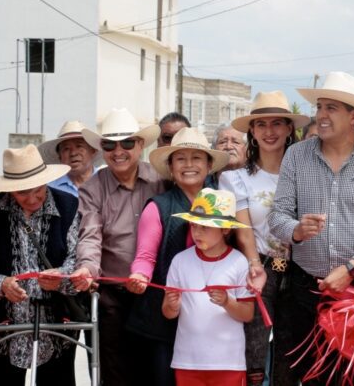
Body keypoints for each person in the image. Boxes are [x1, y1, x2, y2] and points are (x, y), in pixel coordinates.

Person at [268, 71, 354, 385]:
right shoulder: (297, 155)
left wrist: (352, 268)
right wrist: (297, 231)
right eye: (320, 107)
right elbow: (278, 217)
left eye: (331, 108)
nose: (321, 115)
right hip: (306, 291)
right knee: (313, 378)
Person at [125, 127, 229, 386]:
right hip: (164, 319)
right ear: (171, 167)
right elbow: (145, 257)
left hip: (212, 318)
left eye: (197, 158)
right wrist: (139, 275)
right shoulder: (158, 206)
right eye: (181, 159)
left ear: (209, 165)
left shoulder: (224, 204)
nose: (189, 165)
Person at [0, 145, 79, 386]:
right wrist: (1, 284)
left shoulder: (69, 207)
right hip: (3, 330)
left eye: (38, 190)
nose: (31, 199)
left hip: (58, 329)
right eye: (21, 193)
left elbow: (78, 262)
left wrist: (61, 278)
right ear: (10, 190)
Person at [70, 107, 165, 386]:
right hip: (111, 294)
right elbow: (90, 235)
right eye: (110, 144)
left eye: (126, 143)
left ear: (140, 145)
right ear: (102, 149)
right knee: (113, 372)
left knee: (155, 371)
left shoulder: (160, 181)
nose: (118, 151)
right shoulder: (92, 188)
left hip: (155, 292)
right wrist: (86, 269)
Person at [219, 90, 309, 386]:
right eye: (261, 124)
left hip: (301, 271)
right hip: (259, 268)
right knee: (253, 351)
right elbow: (243, 228)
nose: (269, 131)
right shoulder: (235, 178)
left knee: (291, 352)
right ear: (252, 132)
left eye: (277, 123)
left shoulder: (306, 174)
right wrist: (255, 264)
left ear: (288, 129)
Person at [163, 188, 255, 386]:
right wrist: (172, 305)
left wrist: (227, 302)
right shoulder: (180, 261)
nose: (197, 232)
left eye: (205, 227)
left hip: (228, 362)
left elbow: (248, 314)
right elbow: (168, 313)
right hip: (187, 360)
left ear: (225, 229)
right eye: (194, 226)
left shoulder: (238, 262)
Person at [38, 120, 99, 197]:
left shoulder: (108, 182)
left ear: (93, 150)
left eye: (79, 146)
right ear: (59, 156)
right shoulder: (49, 189)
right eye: (66, 148)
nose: (73, 153)